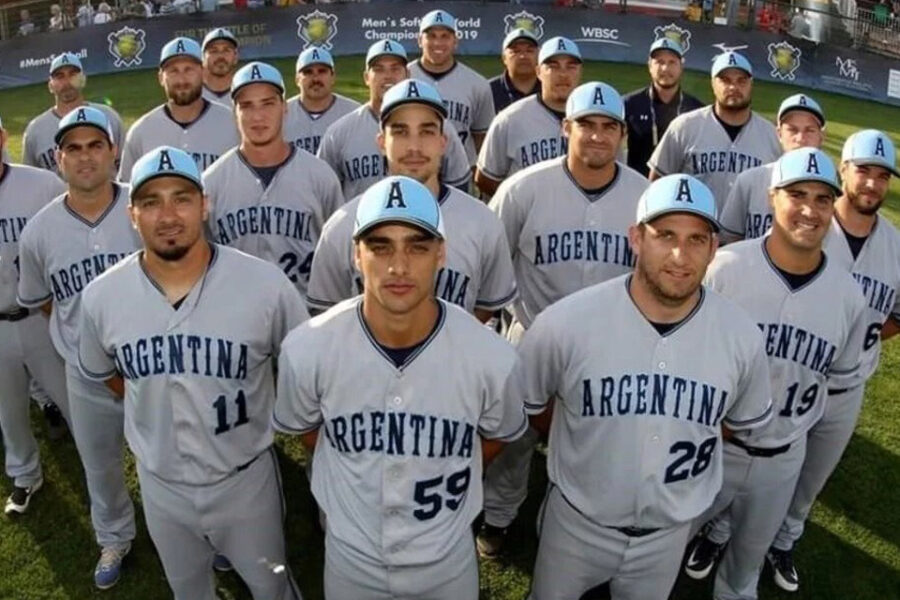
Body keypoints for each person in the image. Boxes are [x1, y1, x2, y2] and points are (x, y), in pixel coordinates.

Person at [519, 174, 773, 600]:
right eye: (665, 235)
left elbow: (732, 423)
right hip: (577, 521)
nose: (680, 254)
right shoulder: (566, 323)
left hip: (668, 534)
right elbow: (531, 404)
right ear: (636, 238)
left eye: (696, 239)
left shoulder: (741, 336)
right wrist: (583, 441)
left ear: (714, 248)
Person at [274, 174, 527, 600]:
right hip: (350, 556)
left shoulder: (491, 356)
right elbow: (308, 431)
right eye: (380, 246)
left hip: (446, 559)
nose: (398, 266)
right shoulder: (307, 348)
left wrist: (449, 462)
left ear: (441, 254)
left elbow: (498, 433)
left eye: (417, 246)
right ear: (356, 254)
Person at [78, 146, 306, 600]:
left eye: (181, 197)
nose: (167, 215)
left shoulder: (265, 285)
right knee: (187, 591)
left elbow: (305, 367)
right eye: (151, 202)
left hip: (246, 479)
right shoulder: (101, 297)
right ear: (132, 215)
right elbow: (107, 374)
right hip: (161, 485)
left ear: (205, 204)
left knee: (271, 587)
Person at [685, 148, 868, 600]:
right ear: (772, 198)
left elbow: (841, 380)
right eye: (797, 194)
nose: (810, 209)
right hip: (710, 448)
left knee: (744, 571)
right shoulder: (724, 268)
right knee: (662, 546)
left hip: (784, 457)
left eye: (823, 199)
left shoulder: (848, 295)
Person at [478, 82, 649, 558]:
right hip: (530, 336)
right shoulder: (522, 189)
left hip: (610, 345)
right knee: (513, 437)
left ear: (621, 135)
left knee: (597, 444)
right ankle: (498, 515)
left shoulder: (645, 197)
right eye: (586, 125)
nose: (597, 136)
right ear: (565, 128)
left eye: (608, 127)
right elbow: (493, 262)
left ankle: (580, 523)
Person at [765, 131, 900, 592]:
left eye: (882, 176)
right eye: (864, 171)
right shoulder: (807, 228)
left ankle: (784, 540)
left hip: (846, 387)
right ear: (843, 171)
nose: (872, 184)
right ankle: (720, 532)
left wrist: (856, 339)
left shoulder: (896, 246)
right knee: (754, 459)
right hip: (783, 372)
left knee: (811, 476)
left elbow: (895, 315)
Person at [17, 107, 139, 590]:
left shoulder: (145, 206)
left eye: (95, 145)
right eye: (74, 148)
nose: (85, 157)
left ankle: (197, 531)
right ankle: (115, 536)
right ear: (58, 159)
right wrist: (78, 340)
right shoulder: (40, 231)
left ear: (114, 152)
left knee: (170, 458)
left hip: (151, 367)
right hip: (83, 376)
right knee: (99, 462)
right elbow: (43, 301)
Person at [307, 78, 516, 320]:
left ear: (442, 142)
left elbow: (486, 307)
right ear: (382, 142)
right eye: (401, 132)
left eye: (426, 131)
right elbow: (328, 315)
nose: (414, 147)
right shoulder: (342, 225)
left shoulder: (483, 223)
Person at [203, 61, 343, 301]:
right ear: (234, 112)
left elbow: (338, 257)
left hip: (307, 315)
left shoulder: (320, 177)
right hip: (236, 318)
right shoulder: (211, 182)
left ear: (284, 107)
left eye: (268, 103)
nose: (258, 116)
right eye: (247, 106)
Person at [0, 114, 69, 516]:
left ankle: (106, 473)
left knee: (73, 402)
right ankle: (25, 476)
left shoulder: (41, 184)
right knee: (9, 413)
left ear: (4, 137)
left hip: (41, 317)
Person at [317, 40, 470, 199]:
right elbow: (323, 193)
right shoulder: (339, 133)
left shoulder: (441, 128)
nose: (388, 76)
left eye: (395, 68)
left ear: (408, 74)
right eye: (379, 69)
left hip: (428, 221)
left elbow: (459, 187)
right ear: (366, 77)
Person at [649, 51, 780, 212]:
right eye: (725, 80)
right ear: (712, 84)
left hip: (750, 235)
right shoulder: (684, 126)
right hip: (695, 229)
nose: (733, 87)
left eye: (741, 81)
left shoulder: (772, 135)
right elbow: (657, 183)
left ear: (751, 84)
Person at [119, 37, 239, 180]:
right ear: (161, 78)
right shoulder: (140, 132)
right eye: (173, 71)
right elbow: (127, 189)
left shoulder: (233, 124)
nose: (182, 80)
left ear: (203, 73)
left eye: (189, 70)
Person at [475, 36, 582, 197]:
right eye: (553, 66)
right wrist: (519, 204)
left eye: (571, 67)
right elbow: (485, 178)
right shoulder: (510, 119)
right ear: (538, 71)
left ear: (580, 71)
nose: (563, 74)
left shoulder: (597, 121)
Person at [719, 94, 826, 242]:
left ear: (821, 136)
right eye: (792, 130)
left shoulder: (832, 188)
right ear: (779, 134)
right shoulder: (750, 180)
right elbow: (727, 241)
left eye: (809, 130)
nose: (801, 138)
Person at [408, 9, 495, 165]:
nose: (438, 43)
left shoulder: (477, 84)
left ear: (455, 41)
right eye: (431, 36)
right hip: (412, 167)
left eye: (445, 36)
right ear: (420, 40)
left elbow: (481, 137)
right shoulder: (403, 79)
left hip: (461, 172)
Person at [23, 52, 125, 175]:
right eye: (60, 76)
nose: (67, 82)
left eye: (73, 74)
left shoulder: (109, 116)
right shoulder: (35, 130)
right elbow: (31, 178)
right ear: (50, 85)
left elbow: (125, 168)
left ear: (83, 79)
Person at [623, 38, 704, 178]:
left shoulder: (697, 110)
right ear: (649, 66)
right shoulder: (629, 104)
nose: (665, 68)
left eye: (672, 62)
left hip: (680, 193)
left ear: (681, 66)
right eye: (659, 62)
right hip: (638, 188)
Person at [284, 47, 360, 155]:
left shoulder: (354, 114)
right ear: (297, 79)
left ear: (333, 77)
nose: (316, 79)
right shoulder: (280, 115)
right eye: (308, 72)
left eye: (322, 71)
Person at [488, 28, 541, 114]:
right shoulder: (487, 91)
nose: (523, 56)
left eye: (529, 51)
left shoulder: (550, 89)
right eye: (516, 51)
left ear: (539, 56)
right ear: (504, 58)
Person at [201, 28, 239, 108]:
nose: (220, 56)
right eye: (214, 51)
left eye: (226, 50)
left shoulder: (245, 92)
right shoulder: (193, 96)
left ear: (236, 57)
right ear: (203, 58)